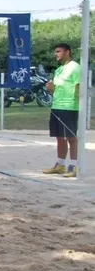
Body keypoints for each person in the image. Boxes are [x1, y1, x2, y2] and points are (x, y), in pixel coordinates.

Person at [42, 43, 81, 178]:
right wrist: (51, 89)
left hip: (69, 107)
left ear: (67, 52)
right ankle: (60, 165)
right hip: (56, 106)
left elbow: (79, 87)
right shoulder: (58, 70)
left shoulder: (75, 67)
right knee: (59, 137)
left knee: (71, 137)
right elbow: (56, 91)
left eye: (58, 51)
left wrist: (79, 103)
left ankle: (74, 166)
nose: (56, 54)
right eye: (55, 52)